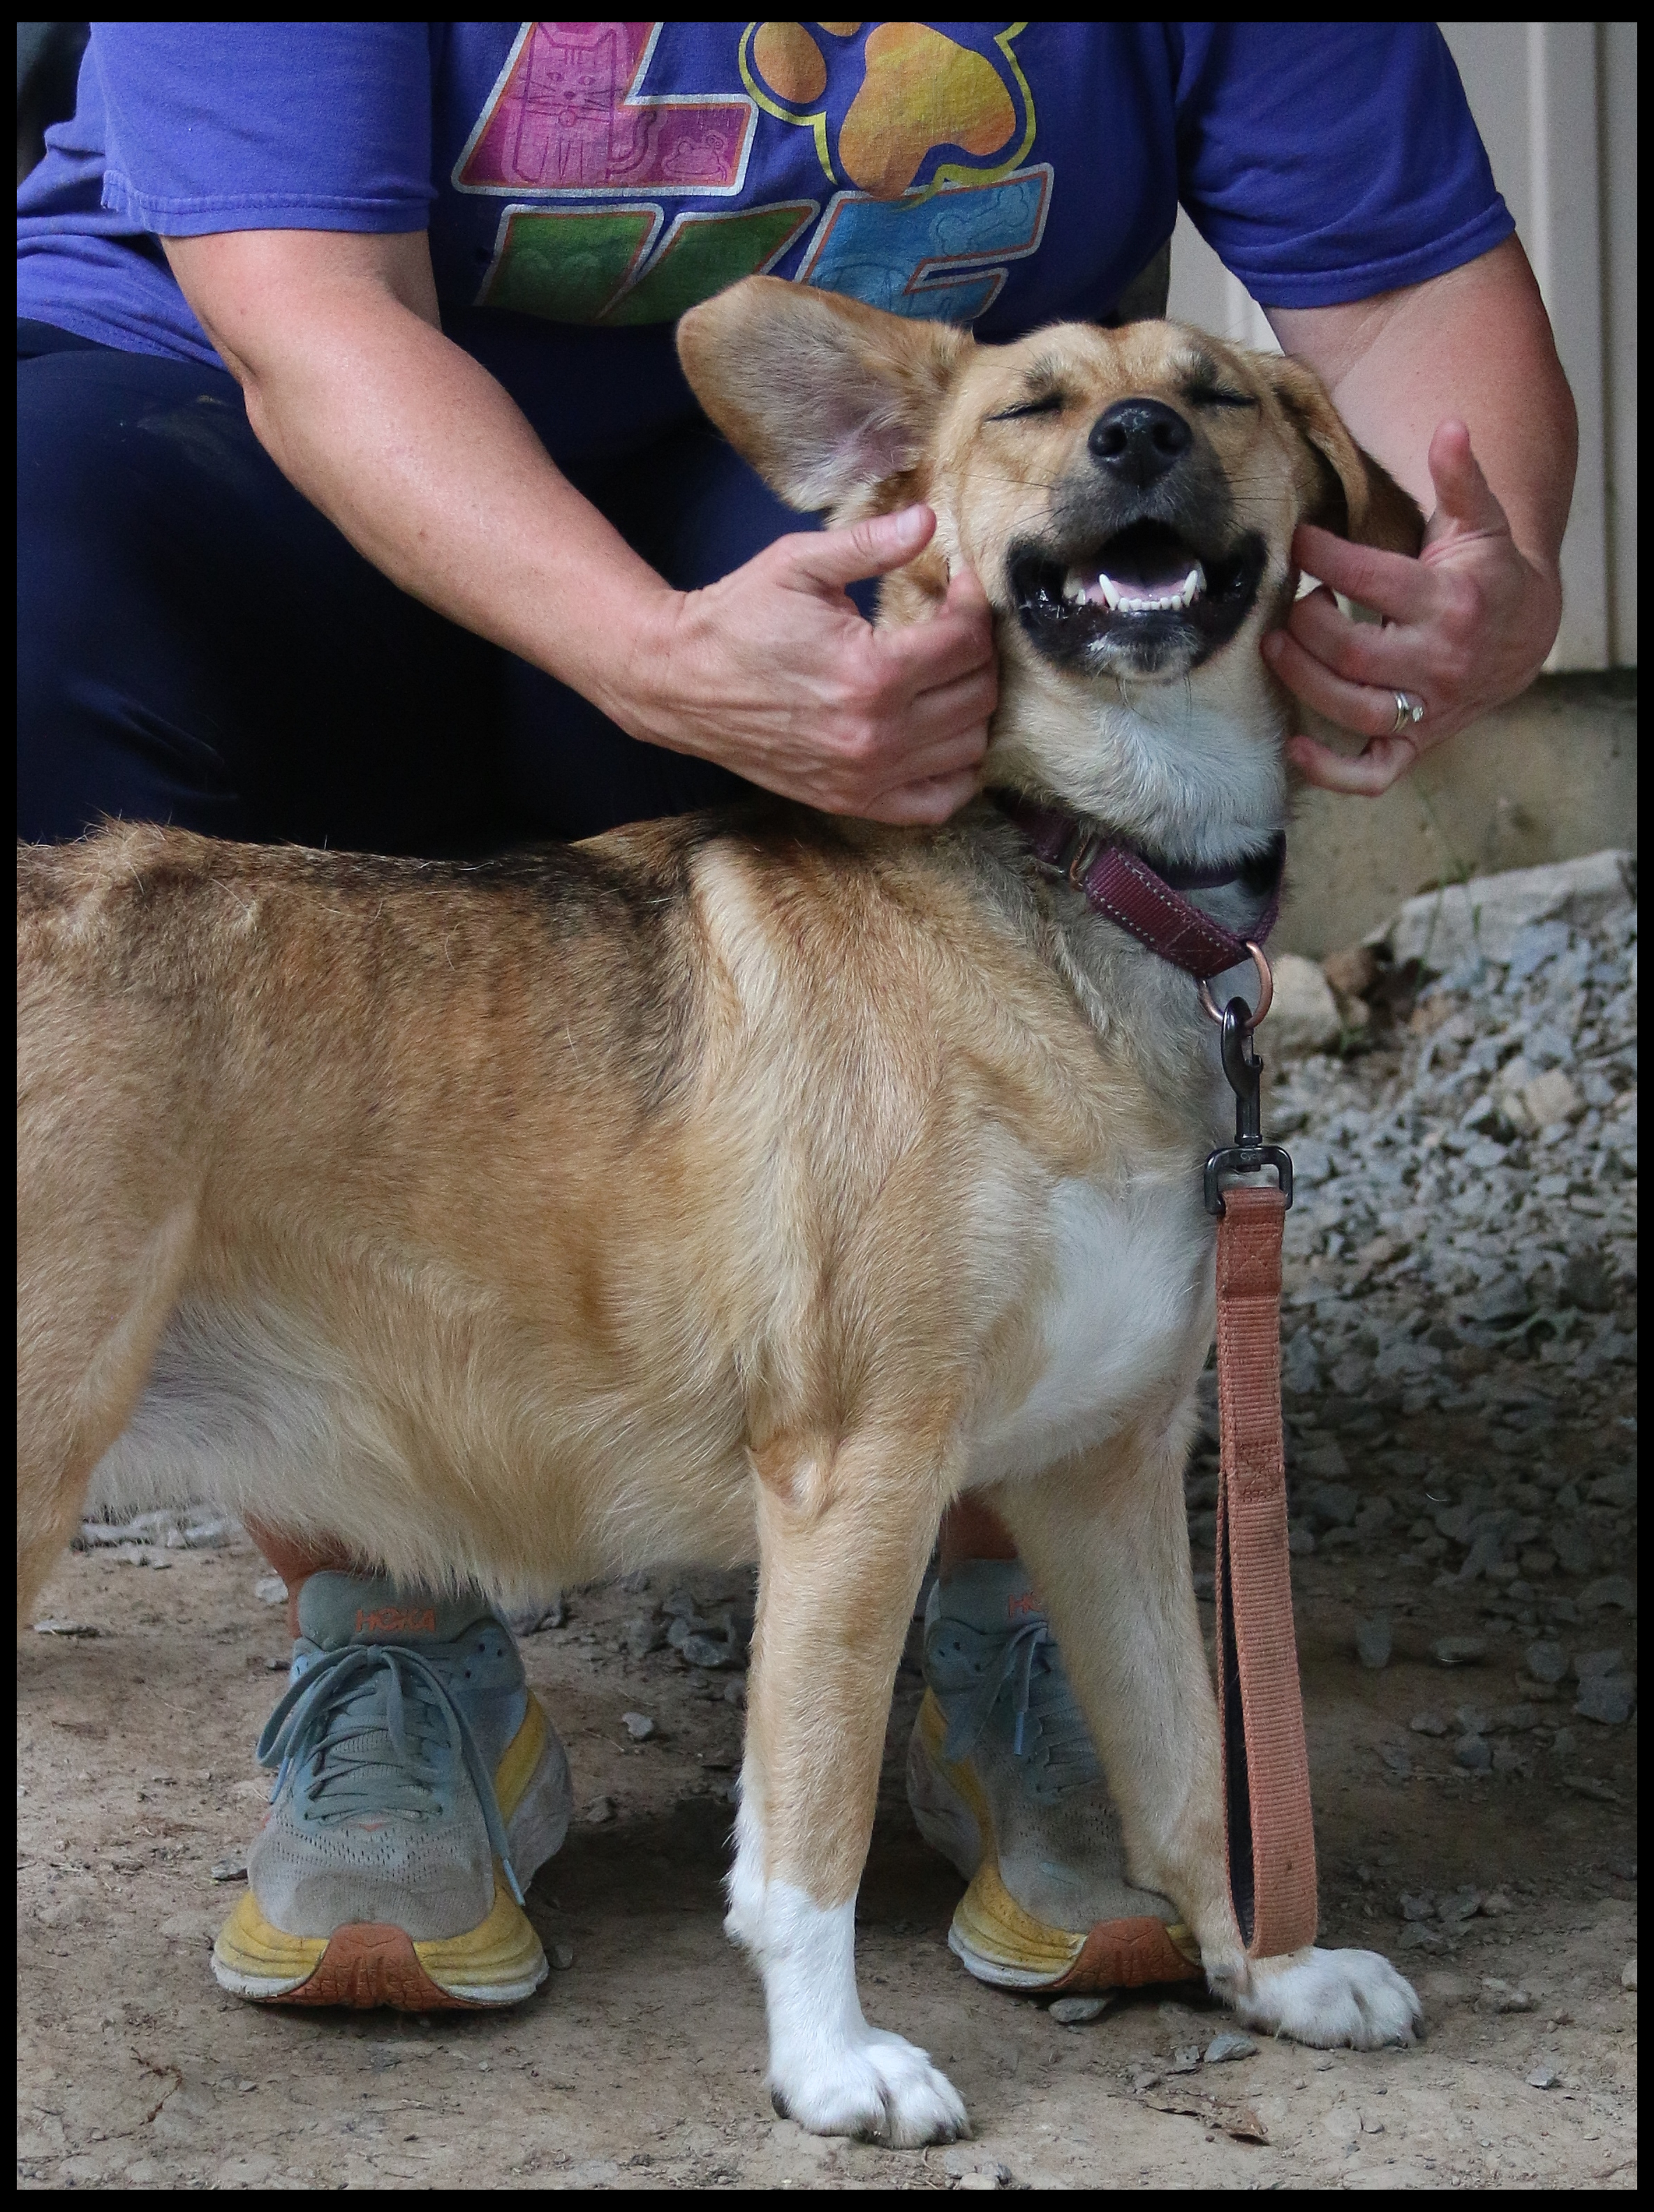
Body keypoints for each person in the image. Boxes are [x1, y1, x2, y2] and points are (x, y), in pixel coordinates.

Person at [18, 22, 1575, 2012]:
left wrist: (1479, 581)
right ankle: (396, 1629)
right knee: (40, 611)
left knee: (909, 639)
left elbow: (1416, 295)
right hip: (253, 430)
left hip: (826, 467)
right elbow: (311, 312)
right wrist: (657, 663)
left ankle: (1000, 1553)